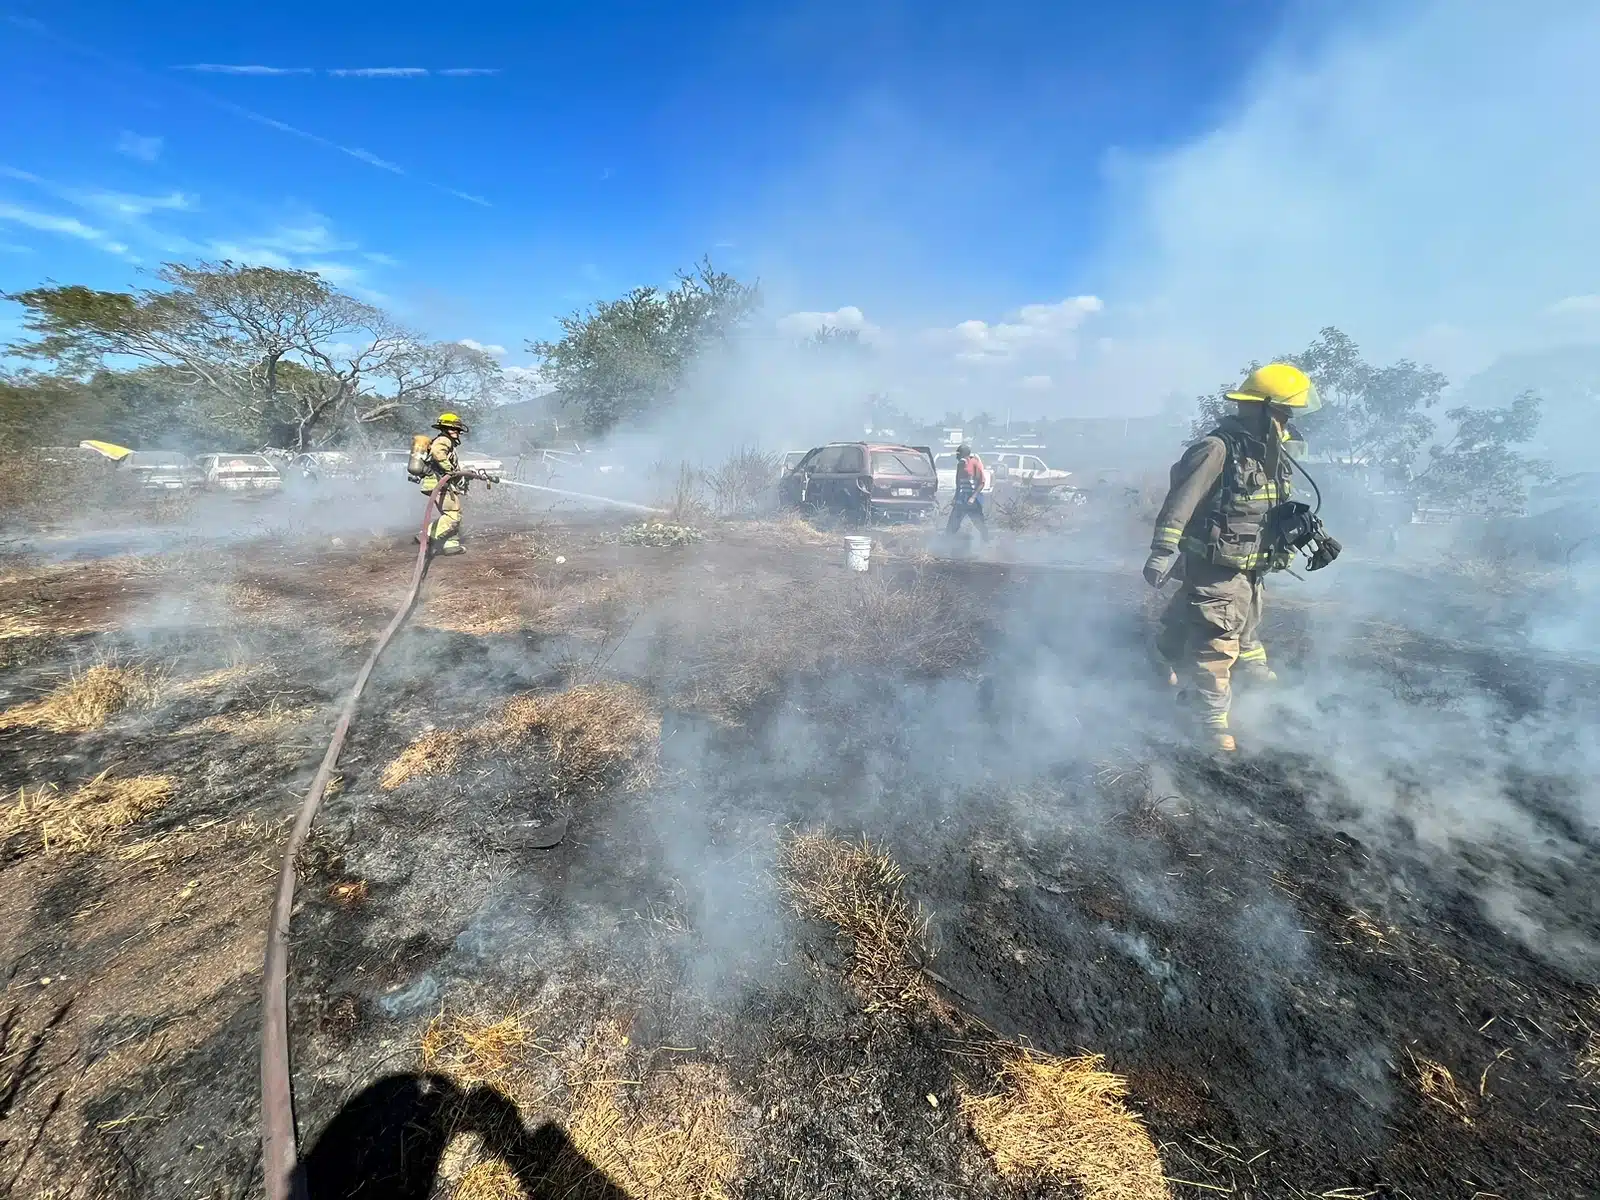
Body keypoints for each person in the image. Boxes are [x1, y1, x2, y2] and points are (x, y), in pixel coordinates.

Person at [1144, 363, 1321, 752]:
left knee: (1238, 630)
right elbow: (1181, 501)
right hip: (1217, 567)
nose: (1288, 423)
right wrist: (1161, 550)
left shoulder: (1266, 456)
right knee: (1217, 645)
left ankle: (1164, 661)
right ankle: (1211, 727)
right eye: (1283, 414)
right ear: (1263, 408)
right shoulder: (1217, 449)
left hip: (1250, 570)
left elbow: (1259, 509)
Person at [419, 412, 471, 555]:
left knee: (451, 513)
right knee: (453, 515)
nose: (456, 432)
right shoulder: (443, 440)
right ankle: (426, 535)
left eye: (457, 429)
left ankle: (451, 545)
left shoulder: (447, 441)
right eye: (452, 428)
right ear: (444, 428)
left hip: (439, 482)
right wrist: (449, 470)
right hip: (438, 482)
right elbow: (437, 452)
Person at [946, 442, 989, 540]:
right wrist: (955, 498)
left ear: (964, 454)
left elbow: (982, 482)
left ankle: (987, 543)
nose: (957, 456)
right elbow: (958, 484)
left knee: (979, 523)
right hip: (962, 499)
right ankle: (946, 544)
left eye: (959, 454)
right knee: (953, 523)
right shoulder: (959, 465)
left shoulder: (974, 463)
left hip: (973, 500)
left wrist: (973, 497)